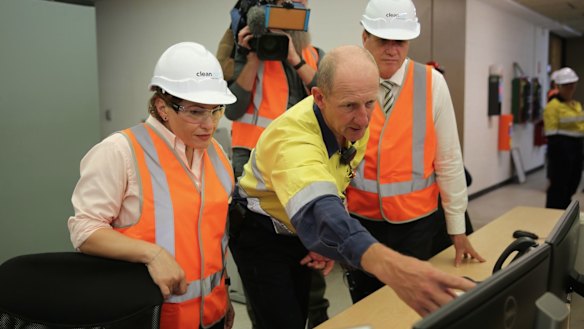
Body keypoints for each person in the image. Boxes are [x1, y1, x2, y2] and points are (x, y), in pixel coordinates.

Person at [229, 45, 476, 329]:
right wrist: (397, 269)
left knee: (301, 314)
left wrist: (319, 238)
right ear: (319, 97)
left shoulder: (353, 120)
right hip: (261, 235)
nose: (363, 119)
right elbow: (319, 207)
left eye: (370, 103)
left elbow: (336, 183)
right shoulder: (293, 140)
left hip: (294, 225)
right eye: (350, 106)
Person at [67, 42, 237, 329]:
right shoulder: (121, 152)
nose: (209, 124)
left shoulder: (217, 155)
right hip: (148, 319)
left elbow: (213, 239)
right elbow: (85, 231)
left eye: (216, 111)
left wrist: (225, 295)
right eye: (196, 112)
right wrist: (152, 253)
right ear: (163, 107)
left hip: (213, 316)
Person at [344, 0, 485, 303]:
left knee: (412, 306)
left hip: (418, 225)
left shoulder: (432, 83)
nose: (393, 49)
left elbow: (448, 159)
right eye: (384, 40)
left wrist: (457, 229)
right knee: (368, 306)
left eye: (401, 41)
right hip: (360, 224)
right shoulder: (346, 82)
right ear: (365, 36)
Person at [224, 1, 329, 327]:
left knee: (309, 274)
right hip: (252, 171)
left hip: (298, 168)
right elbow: (232, 110)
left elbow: (327, 100)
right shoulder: (247, 54)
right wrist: (253, 56)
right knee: (264, 277)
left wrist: (293, 58)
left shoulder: (313, 54)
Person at [543, 67, 583, 209]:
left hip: (576, 148)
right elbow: (551, 133)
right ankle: (553, 214)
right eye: (566, 85)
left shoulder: (576, 105)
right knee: (559, 186)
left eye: (572, 84)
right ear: (558, 86)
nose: (570, 87)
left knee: (573, 183)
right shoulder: (553, 107)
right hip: (560, 150)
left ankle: (565, 211)